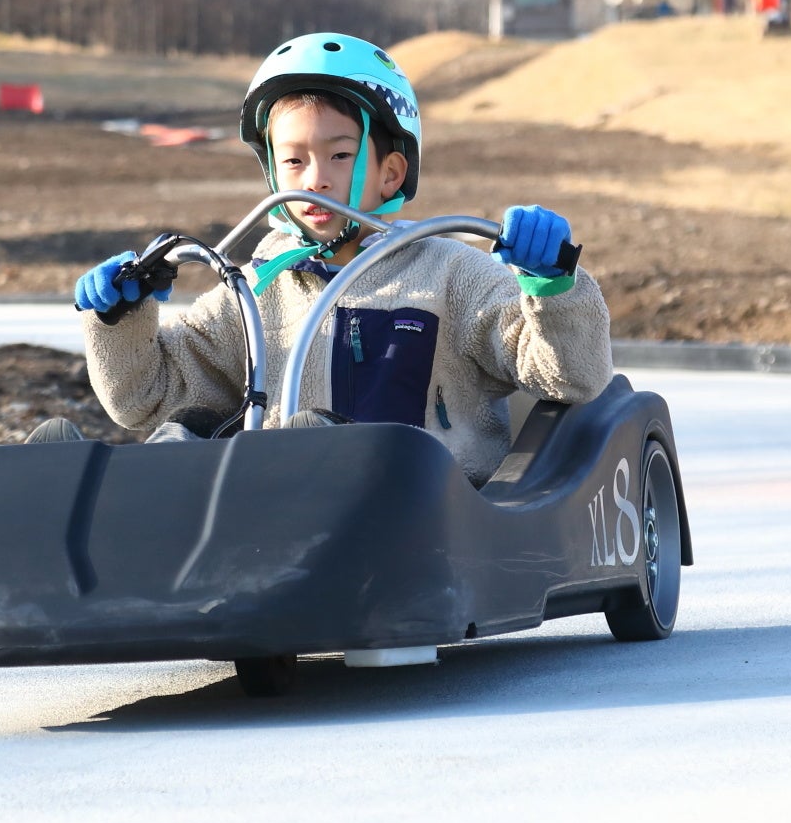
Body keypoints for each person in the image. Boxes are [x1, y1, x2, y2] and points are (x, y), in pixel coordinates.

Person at [35, 32, 613, 486]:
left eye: (339, 156)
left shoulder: (451, 275)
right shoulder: (253, 291)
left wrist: (551, 286)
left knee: (315, 442)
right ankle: (60, 491)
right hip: (282, 521)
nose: (315, 180)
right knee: (185, 433)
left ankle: (312, 456)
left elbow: (572, 377)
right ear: (272, 173)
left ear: (391, 173)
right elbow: (146, 399)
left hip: (420, 517)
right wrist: (119, 321)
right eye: (294, 161)